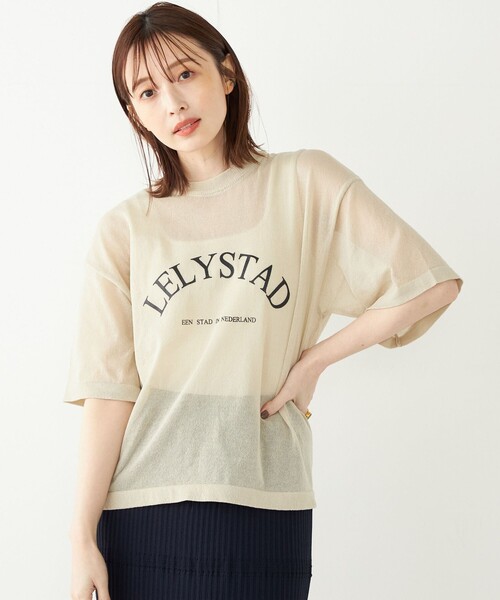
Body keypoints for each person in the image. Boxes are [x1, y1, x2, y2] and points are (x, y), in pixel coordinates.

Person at [64, 2, 463, 599]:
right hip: (143, 506)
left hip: (267, 502)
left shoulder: (305, 183)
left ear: (226, 73)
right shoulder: (125, 229)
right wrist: (80, 536)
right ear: (134, 114)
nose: (172, 103)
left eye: (185, 74)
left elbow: (430, 284)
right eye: (146, 92)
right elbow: (109, 394)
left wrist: (314, 361)